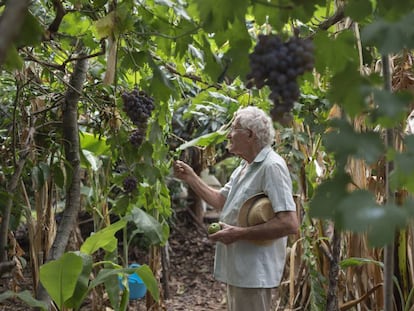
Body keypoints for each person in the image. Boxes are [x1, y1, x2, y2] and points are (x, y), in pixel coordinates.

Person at [173, 106, 298, 311]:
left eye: (234, 129)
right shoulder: (245, 166)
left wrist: (239, 233)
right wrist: (190, 178)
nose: (228, 134)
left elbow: (289, 223)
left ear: (249, 135)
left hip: (256, 274)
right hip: (240, 272)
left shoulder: (271, 166)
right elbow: (221, 200)